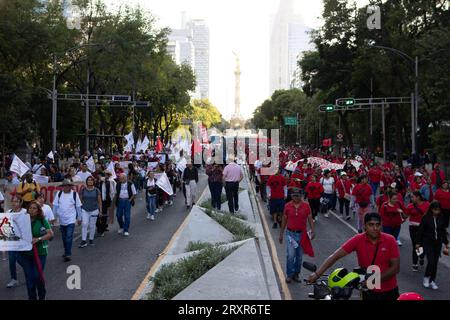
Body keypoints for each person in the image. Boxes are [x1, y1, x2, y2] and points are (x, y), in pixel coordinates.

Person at [308, 212, 400, 300]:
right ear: (364, 226)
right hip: (368, 292)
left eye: (377, 225)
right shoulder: (358, 240)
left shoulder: (390, 240)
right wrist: (317, 274)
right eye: (371, 225)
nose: (375, 228)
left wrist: (373, 280)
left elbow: (395, 268)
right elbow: (335, 256)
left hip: (389, 291)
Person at [16, 201, 53, 300]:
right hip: (26, 254)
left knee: (37, 276)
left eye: (34, 208)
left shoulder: (42, 220)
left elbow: (50, 234)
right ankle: (31, 298)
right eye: (30, 208)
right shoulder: (22, 220)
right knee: (29, 279)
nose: (31, 210)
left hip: (40, 253)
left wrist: (38, 239)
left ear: (38, 211)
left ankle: (42, 296)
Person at [279, 188, 315, 283]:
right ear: (291, 196)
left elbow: (310, 218)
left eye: (298, 195)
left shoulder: (306, 206)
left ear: (301, 196)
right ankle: (289, 275)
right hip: (290, 234)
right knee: (290, 255)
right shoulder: (287, 206)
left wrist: (312, 230)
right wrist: (281, 234)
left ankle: (296, 274)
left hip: (302, 235)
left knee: (299, 257)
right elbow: (284, 219)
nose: (296, 197)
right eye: (294, 195)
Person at [416, 201, 450, 290]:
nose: (437, 212)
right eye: (435, 210)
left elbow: (443, 231)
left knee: (435, 263)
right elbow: (420, 231)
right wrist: (418, 243)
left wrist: (446, 242)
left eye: (438, 210)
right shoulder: (426, 218)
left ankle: (432, 281)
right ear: (431, 209)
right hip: (428, 242)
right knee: (431, 261)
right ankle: (426, 278)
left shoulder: (441, 218)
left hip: (437, 243)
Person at [52, 179, 82, 262]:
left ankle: (68, 254)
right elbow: (55, 206)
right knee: (64, 237)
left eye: (67, 186)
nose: (66, 187)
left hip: (71, 219)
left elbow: (78, 207)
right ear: (62, 187)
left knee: (69, 236)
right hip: (62, 219)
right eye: (64, 186)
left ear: (70, 186)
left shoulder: (74, 194)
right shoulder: (59, 194)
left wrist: (79, 218)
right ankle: (66, 250)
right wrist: (53, 217)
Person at [5, 196, 27, 288]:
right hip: (11, 242)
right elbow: (5, 227)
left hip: (22, 241)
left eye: (16, 201)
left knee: (21, 260)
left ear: (20, 202)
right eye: (13, 201)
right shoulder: (8, 213)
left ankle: (29, 273)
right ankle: (14, 279)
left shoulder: (25, 212)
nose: (14, 203)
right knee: (11, 260)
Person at [405, 191, 429, 271]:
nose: (411, 198)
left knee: (422, 245)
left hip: (423, 229)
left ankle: (421, 256)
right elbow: (405, 216)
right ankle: (414, 263)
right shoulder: (410, 206)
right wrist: (400, 213)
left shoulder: (426, 205)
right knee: (415, 245)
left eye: (413, 197)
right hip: (413, 228)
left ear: (418, 197)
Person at [78, 176, 102, 247]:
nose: (90, 181)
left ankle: (91, 240)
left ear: (93, 182)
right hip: (85, 209)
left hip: (94, 210)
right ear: (86, 182)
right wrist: (79, 210)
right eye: (88, 180)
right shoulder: (83, 190)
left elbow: (99, 201)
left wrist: (100, 211)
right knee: (84, 224)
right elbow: (80, 201)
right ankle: (83, 240)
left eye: (91, 180)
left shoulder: (97, 190)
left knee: (92, 225)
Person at [98, 170, 116, 236]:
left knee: (104, 215)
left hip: (105, 201)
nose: (105, 177)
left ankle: (102, 229)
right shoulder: (98, 183)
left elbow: (112, 192)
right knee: (98, 216)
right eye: (104, 175)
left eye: (106, 176)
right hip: (98, 201)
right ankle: (100, 227)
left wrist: (110, 199)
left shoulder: (109, 183)